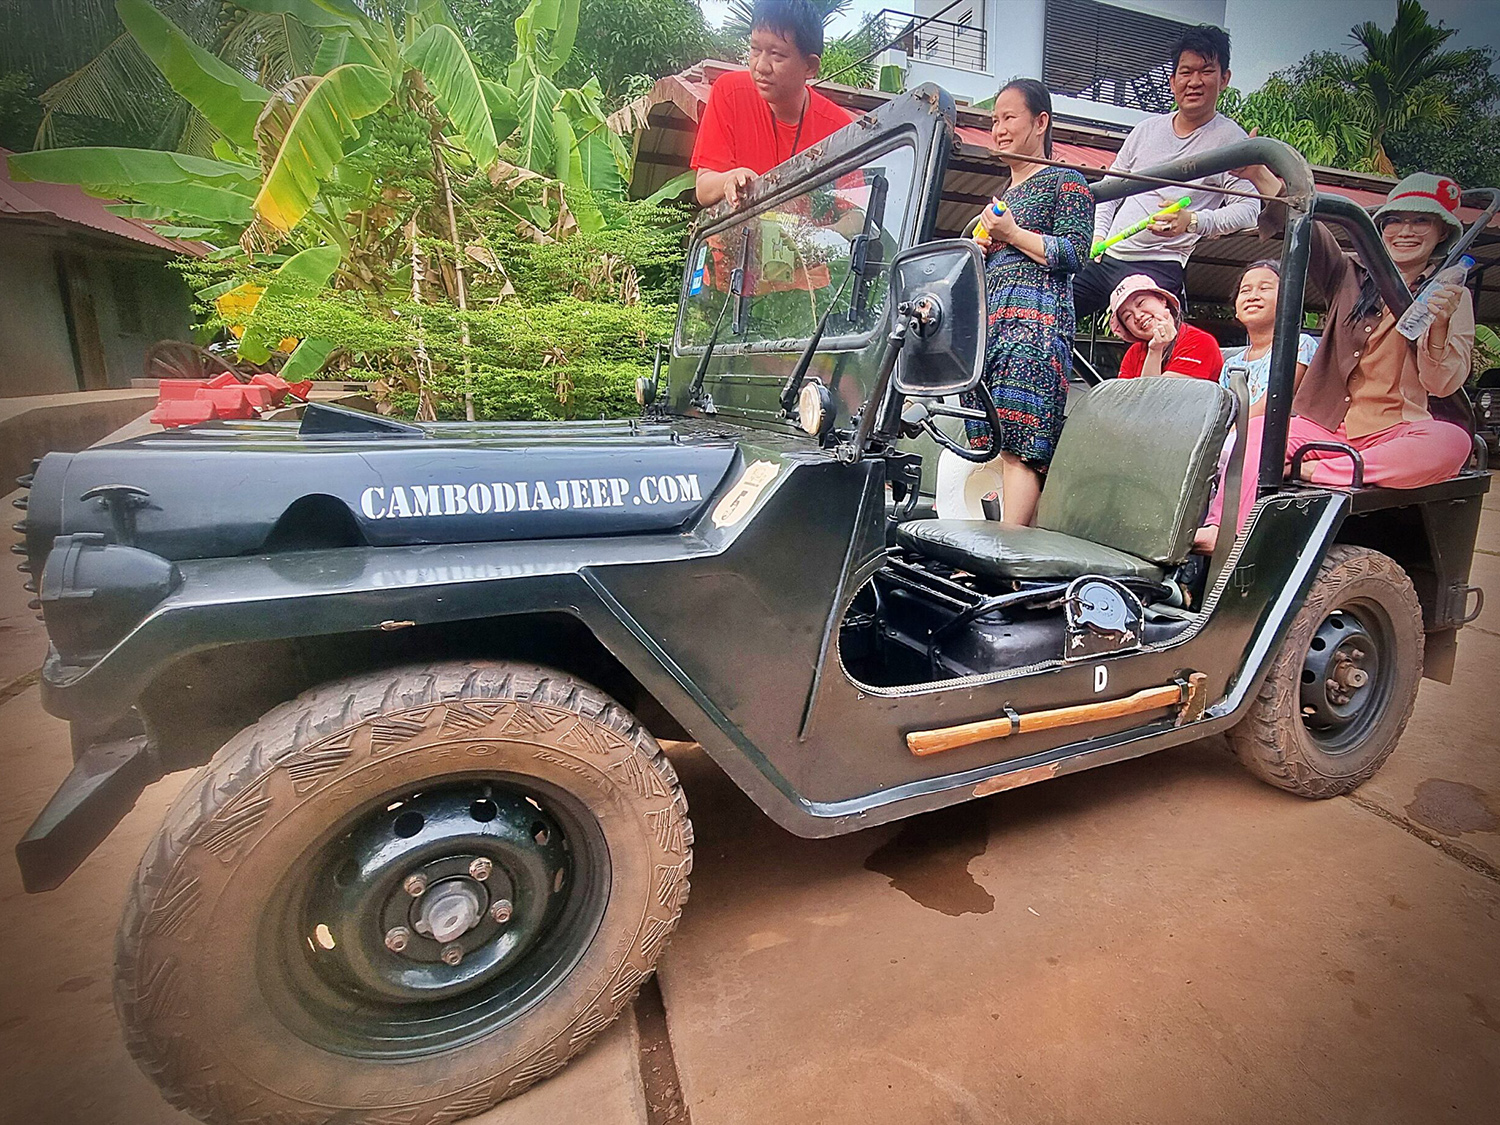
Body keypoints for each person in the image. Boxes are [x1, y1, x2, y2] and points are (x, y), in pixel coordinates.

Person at [1204, 169, 1475, 539]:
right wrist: (1258, 174)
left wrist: (1440, 326)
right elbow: (1306, 227)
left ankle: (1315, 471)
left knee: (1453, 443)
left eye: (1421, 221)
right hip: (1325, 424)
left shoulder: (1449, 294)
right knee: (1252, 435)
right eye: (1396, 220)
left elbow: (1441, 384)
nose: (1406, 231)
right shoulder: (1348, 273)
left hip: (1393, 429)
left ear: (1442, 232)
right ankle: (1221, 528)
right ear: (1379, 229)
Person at [958, 78, 1094, 527]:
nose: (999, 128)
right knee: (991, 443)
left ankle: (1007, 554)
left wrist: (1012, 235)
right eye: (994, 120)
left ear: (1041, 122)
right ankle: (996, 550)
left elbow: (1077, 252)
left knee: (1021, 446)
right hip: (991, 334)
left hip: (1034, 332)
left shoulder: (1066, 180)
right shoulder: (1003, 198)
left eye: (1008, 117)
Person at [1072, 24, 1260, 316]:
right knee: (1052, 313)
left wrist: (1192, 220)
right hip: (1106, 256)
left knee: (1159, 339)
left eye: (1206, 71)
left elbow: (1249, 209)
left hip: (1160, 264)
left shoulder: (1231, 140)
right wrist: (1098, 236)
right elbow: (1110, 191)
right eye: (1186, 72)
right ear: (1172, 81)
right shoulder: (1145, 130)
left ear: (1224, 79)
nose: (1194, 81)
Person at [690, 0, 854, 209]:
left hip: (802, 241)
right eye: (755, 50)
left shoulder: (838, 128)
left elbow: (854, 214)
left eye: (777, 55)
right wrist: (729, 179)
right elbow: (703, 188)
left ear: (810, 67)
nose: (760, 66)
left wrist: (829, 233)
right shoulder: (729, 92)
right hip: (735, 240)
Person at [1220, 259, 1318, 416]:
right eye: (1245, 290)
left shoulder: (1298, 345)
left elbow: (1271, 405)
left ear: (1288, 301)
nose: (1252, 296)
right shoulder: (1231, 364)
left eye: (1264, 288)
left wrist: (1230, 433)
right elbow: (1223, 412)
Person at [1108, 274, 1224, 382]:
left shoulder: (1200, 342)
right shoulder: (1134, 353)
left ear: (1162, 300)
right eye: (1127, 316)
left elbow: (1156, 397)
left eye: (1141, 303)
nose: (1137, 316)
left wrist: (1155, 350)